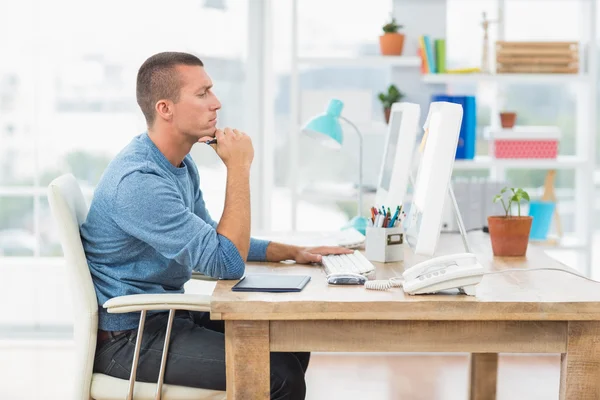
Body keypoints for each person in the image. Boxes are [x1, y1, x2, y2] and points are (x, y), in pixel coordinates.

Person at [80, 51, 353, 399]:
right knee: (279, 375)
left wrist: (292, 252)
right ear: (165, 108)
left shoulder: (177, 164)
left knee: (289, 338)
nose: (217, 103)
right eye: (203, 93)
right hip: (130, 339)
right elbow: (226, 262)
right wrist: (239, 168)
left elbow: (211, 237)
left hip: (163, 318)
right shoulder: (139, 182)